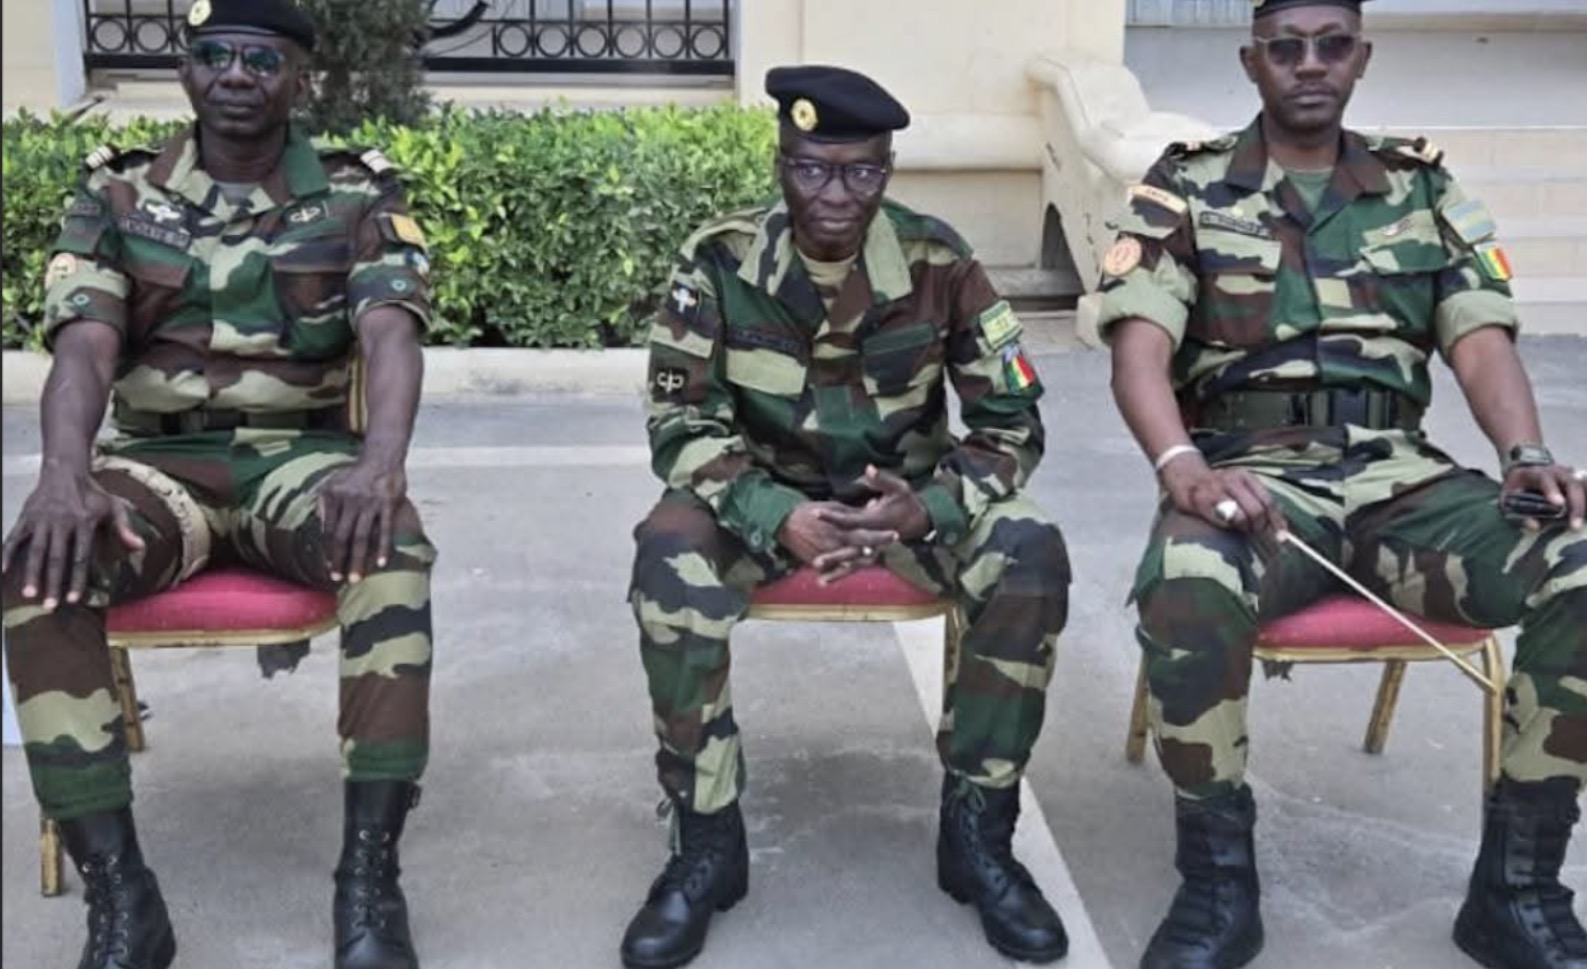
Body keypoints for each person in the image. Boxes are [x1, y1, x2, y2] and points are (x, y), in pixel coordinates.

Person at [1097, 0, 1587, 967]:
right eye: (1286, 47)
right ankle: (1217, 885)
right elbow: (1139, 349)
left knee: (1574, 565)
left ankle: (1517, 887)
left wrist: (1526, 454)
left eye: (1330, 46)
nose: (1308, 64)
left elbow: (1477, 334)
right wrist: (1180, 464)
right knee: (1189, 581)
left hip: (1403, 483)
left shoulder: (1420, 189)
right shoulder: (1185, 190)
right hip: (1252, 481)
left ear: (1359, 57)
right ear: (1252, 62)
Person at [0, 2, 437, 967]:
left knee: (391, 549)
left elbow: (389, 332)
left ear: (296, 79)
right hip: (157, 465)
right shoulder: (116, 196)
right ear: (188, 71)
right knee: (41, 566)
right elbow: (83, 349)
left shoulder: (357, 193)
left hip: (302, 462)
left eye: (262, 58)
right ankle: (122, 896)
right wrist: (63, 477)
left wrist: (381, 464)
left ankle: (368, 875)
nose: (238, 74)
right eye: (216, 56)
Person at [621, 64, 1074, 968]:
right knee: (667, 556)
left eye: (860, 171)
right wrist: (771, 509)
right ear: (781, 162)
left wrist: (928, 508)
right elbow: (679, 422)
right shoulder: (718, 260)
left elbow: (1010, 422)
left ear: (887, 167)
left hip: (902, 504)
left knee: (1028, 550)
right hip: (762, 502)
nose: (834, 193)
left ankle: (978, 833)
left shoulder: (940, 262)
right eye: (811, 168)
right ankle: (705, 840)